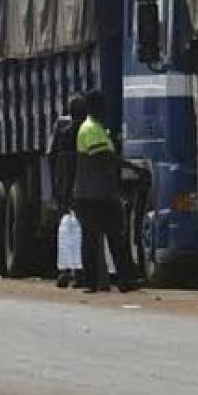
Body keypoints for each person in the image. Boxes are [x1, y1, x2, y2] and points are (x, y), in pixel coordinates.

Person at [73, 89, 139, 293]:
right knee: (104, 238)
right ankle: (101, 281)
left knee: (108, 237)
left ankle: (121, 281)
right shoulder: (91, 128)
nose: (105, 110)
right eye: (102, 106)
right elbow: (104, 157)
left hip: (97, 193)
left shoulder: (97, 128)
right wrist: (134, 168)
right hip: (94, 194)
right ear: (95, 107)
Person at [47, 94, 87, 288]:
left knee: (64, 231)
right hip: (80, 186)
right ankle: (79, 273)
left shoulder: (61, 129)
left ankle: (63, 271)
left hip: (63, 185)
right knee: (80, 230)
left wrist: (55, 186)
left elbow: (51, 156)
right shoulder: (86, 130)